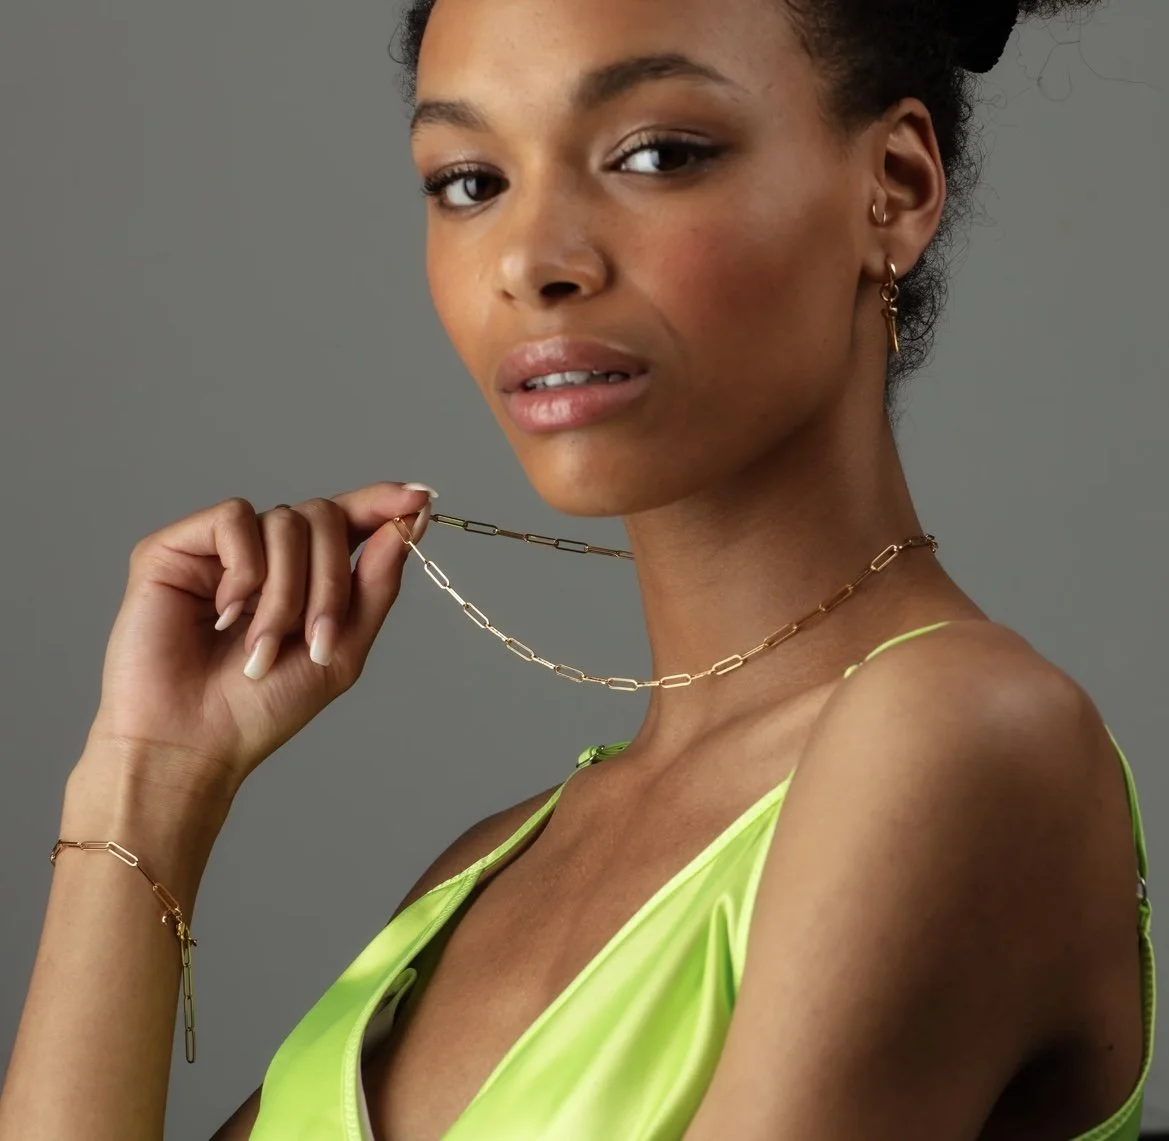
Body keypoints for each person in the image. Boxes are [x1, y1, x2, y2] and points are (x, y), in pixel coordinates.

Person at [0, 0, 1154, 1138]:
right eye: (470, 181)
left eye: (655, 154)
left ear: (892, 187)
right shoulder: (480, 873)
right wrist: (149, 781)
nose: (528, 261)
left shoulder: (959, 737)